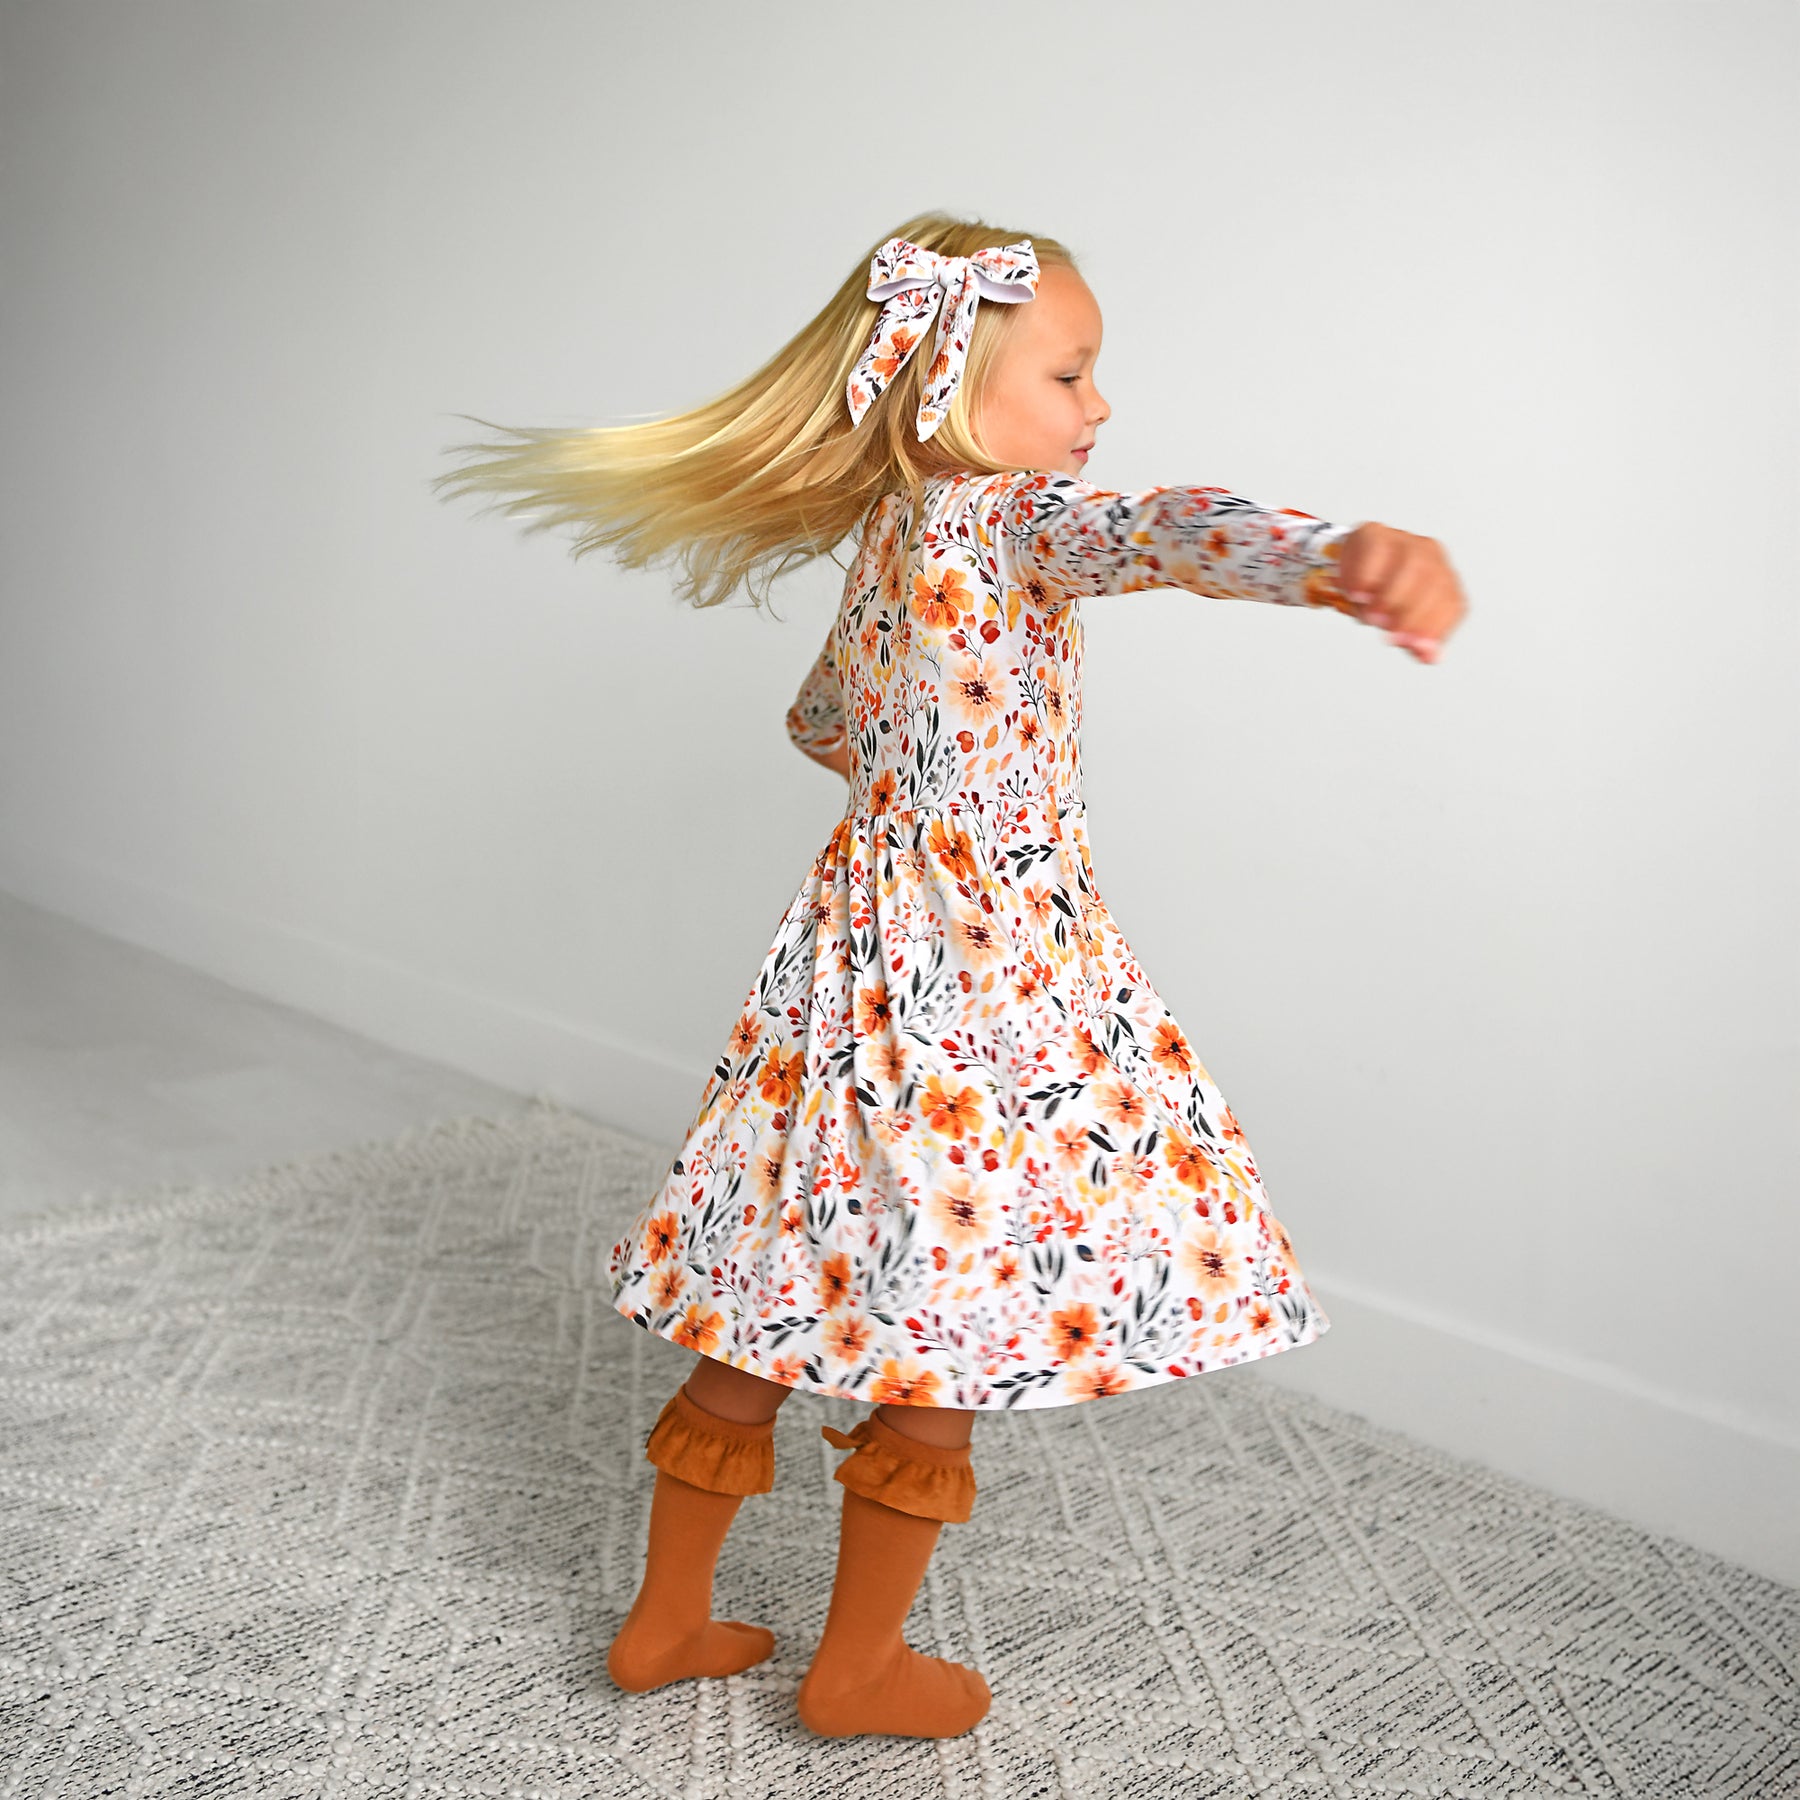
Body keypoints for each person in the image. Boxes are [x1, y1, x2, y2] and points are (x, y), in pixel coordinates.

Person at [433, 212, 1467, 1741]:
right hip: (985, 976)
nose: (1099, 405)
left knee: (771, 1283)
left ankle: (665, 1622)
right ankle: (856, 1668)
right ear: (945, 386)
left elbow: (823, 719)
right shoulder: (1012, 520)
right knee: (944, 1307)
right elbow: (1160, 528)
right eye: (1070, 372)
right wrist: (1329, 556)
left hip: (848, 954)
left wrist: (917, 776)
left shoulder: (896, 538)